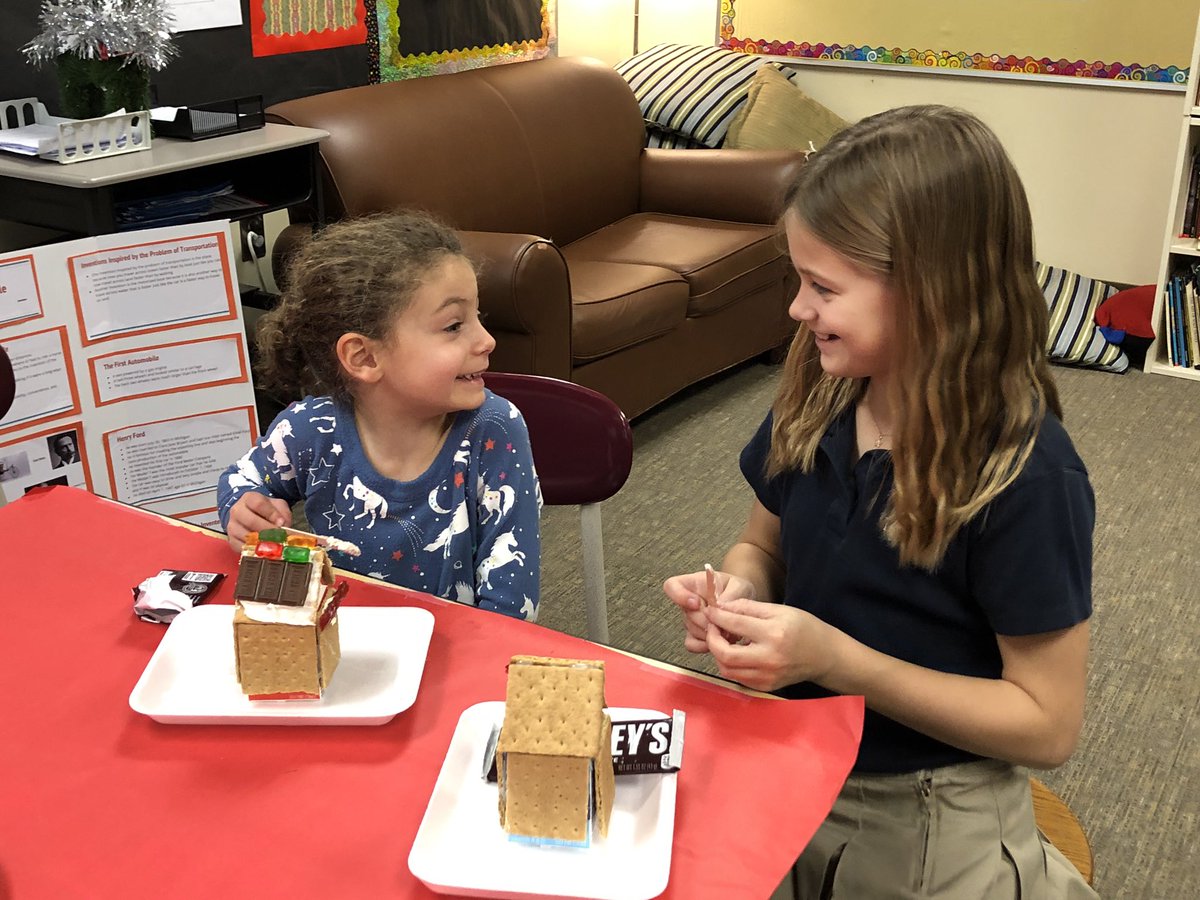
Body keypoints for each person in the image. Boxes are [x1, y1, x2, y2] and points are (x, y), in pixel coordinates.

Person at [663, 106, 1099, 899]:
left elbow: (1047, 723)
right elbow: (763, 546)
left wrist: (836, 661)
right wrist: (738, 595)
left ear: (933, 293)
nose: (798, 310)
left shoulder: (1030, 476)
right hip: (792, 753)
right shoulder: (822, 390)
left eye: (822, 286)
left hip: (928, 801)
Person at [218, 212, 540, 621]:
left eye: (480, 317)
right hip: (344, 652)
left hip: (456, 657)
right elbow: (239, 480)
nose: (487, 340)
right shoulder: (309, 429)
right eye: (454, 325)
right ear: (365, 357)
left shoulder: (493, 430)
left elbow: (512, 605)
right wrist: (243, 510)